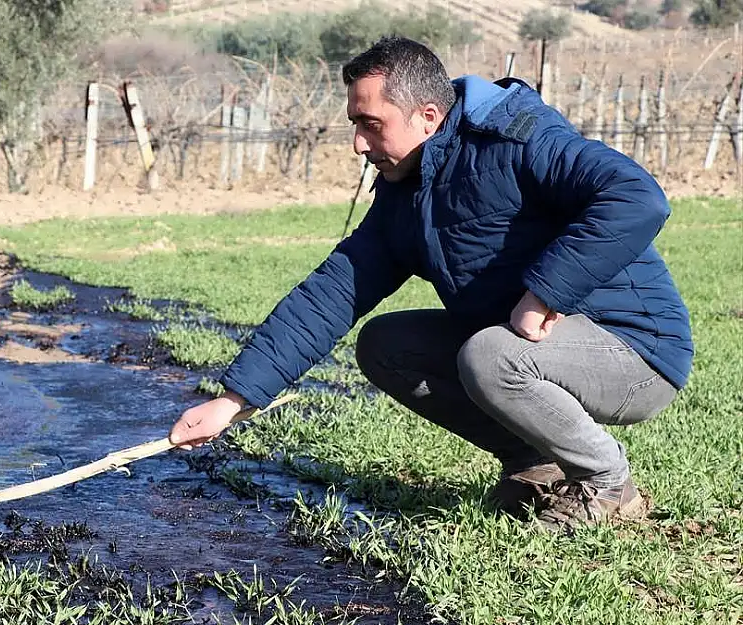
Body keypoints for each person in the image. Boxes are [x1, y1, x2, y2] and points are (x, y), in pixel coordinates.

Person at [168, 36, 692, 532]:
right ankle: (536, 465)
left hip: (636, 351)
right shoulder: (407, 193)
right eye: (354, 123)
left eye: (371, 124)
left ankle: (607, 484)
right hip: (530, 351)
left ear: (427, 116)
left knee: (491, 355)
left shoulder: (520, 139)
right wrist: (232, 401)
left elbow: (637, 197)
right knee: (386, 345)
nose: (357, 144)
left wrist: (544, 294)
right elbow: (330, 294)